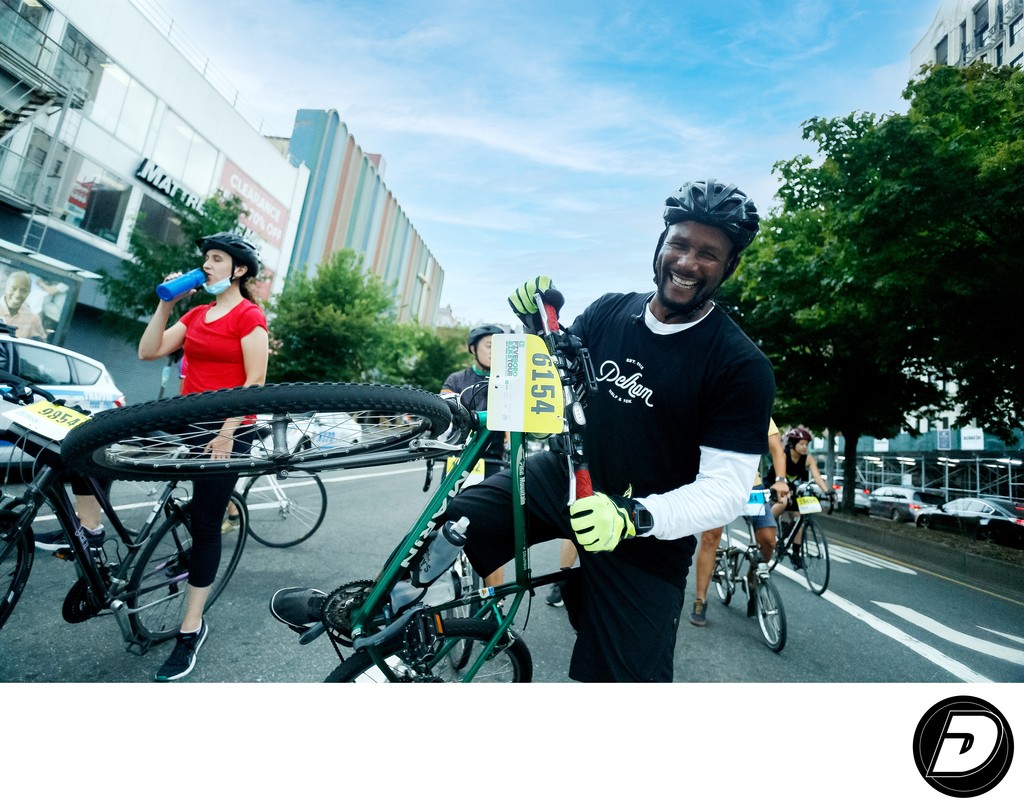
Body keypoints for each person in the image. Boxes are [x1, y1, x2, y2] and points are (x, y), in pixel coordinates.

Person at [438, 179, 775, 681]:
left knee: (623, 683)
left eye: (708, 254)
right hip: (566, 478)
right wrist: (537, 326)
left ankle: (589, 600)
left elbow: (726, 491)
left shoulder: (740, 365)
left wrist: (632, 516)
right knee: (455, 518)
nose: (687, 262)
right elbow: (558, 375)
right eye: (679, 244)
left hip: (648, 531)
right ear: (660, 245)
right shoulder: (609, 309)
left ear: (730, 266)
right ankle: (384, 611)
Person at [138, 232, 268, 682]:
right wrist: (166, 304)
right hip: (187, 420)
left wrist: (228, 431)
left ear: (239, 270)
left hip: (229, 428)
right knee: (102, 445)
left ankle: (190, 629)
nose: (207, 265)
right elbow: (148, 351)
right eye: (206, 259)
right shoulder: (195, 314)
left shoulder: (249, 316)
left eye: (216, 259)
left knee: (206, 522)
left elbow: (254, 382)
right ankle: (91, 533)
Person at [689, 418, 789, 626]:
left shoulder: (758, 408)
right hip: (717, 484)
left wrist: (780, 480)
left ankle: (753, 580)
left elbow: (778, 450)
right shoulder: (712, 408)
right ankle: (700, 599)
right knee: (710, 537)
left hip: (752, 486)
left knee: (769, 540)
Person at [774, 425, 831, 568]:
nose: (805, 447)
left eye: (806, 444)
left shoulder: (808, 459)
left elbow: (817, 477)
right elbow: (780, 476)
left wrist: (827, 492)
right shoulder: (784, 455)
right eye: (801, 444)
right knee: (783, 502)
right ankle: (768, 523)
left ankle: (795, 554)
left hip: (791, 489)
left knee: (799, 518)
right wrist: (784, 487)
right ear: (793, 444)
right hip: (776, 484)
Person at [0, 271, 47, 340]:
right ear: (6, 287)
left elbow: (41, 343)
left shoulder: (32, 319)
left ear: (29, 292)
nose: (17, 295)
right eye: (14, 288)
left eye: (23, 291)